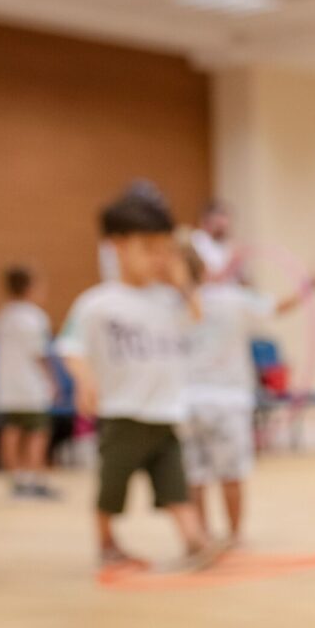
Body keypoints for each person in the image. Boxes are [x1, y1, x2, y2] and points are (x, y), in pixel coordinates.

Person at [57, 192, 215, 569]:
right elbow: (70, 345)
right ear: (117, 247)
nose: (159, 258)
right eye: (149, 248)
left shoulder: (167, 300)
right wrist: (84, 380)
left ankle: (194, 540)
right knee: (114, 485)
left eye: (165, 249)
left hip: (164, 411)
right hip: (123, 411)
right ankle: (107, 541)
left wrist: (182, 282)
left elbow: (197, 315)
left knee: (174, 482)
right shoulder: (98, 303)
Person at [176, 243, 315, 543]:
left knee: (195, 475)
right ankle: (234, 535)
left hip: (184, 401)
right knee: (230, 473)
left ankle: (202, 536)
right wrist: (308, 286)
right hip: (227, 401)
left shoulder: (169, 304)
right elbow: (278, 307)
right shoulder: (233, 299)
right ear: (206, 269)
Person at [0, 264, 58, 499]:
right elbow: (39, 355)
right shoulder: (34, 317)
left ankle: (17, 479)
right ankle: (34, 479)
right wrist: (52, 380)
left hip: (6, 387)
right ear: (30, 288)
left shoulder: (2, 316)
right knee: (38, 431)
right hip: (30, 386)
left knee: (11, 429)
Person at [191, 200, 244, 284]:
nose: (225, 226)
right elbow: (204, 277)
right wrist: (232, 263)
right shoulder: (198, 240)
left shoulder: (223, 244)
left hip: (229, 290)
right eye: (220, 225)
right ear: (208, 220)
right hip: (209, 291)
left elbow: (240, 280)